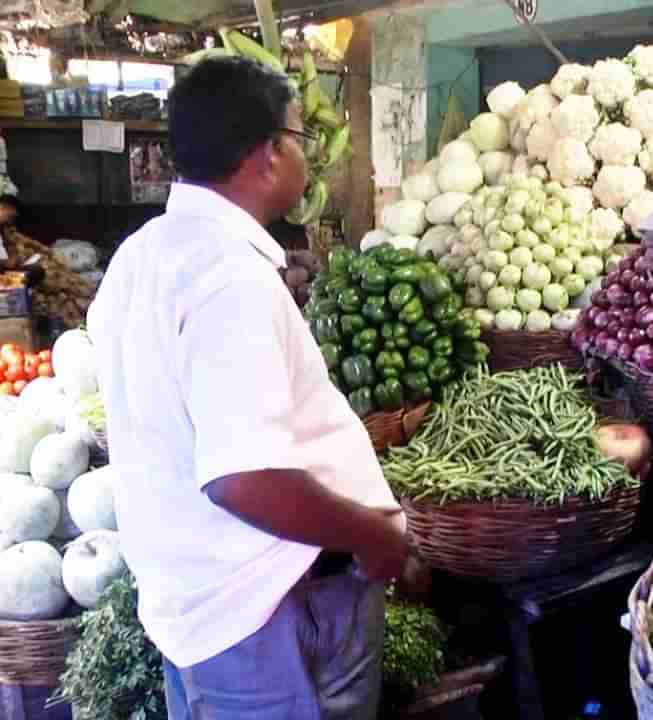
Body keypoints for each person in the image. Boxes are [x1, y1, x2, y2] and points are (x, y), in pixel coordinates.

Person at [87, 56, 408, 719]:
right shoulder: (229, 278)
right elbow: (245, 479)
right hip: (267, 617)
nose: (305, 159)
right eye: (300, 140)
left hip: (206, 608)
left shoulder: (143, 253)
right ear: (268, 155)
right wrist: (373, 536)